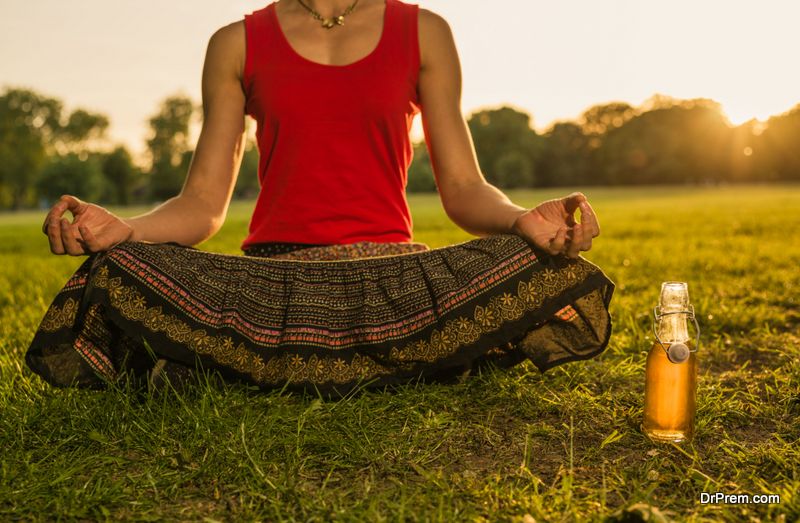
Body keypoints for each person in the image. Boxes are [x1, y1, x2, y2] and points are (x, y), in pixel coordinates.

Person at [26, 0, 614, 396]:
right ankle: (398, 361)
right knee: (119, 265)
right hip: (274, 283)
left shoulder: (424, 30)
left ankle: (237, 365)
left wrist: (521, 222)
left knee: (538, 258)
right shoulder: (235, 43)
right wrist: (125, 230)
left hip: (394, 276)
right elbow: (203, 204)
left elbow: (462, 190)